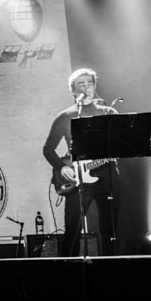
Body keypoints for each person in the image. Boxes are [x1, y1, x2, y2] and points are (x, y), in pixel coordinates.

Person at [43, 67, 120, 257]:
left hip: (107, 177)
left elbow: (122, 142)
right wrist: (62, 167)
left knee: (110, 231)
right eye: (81, 84)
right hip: (78, 179)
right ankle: (69, 267)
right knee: (72, 230)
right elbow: (48, 149)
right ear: (72, 90)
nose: (87, 87)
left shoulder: (108, 112)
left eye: (90, 83)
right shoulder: (65, 116)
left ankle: (111, 266)